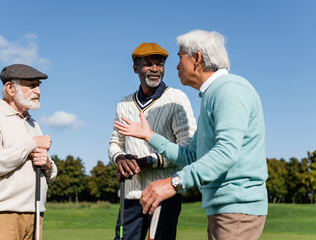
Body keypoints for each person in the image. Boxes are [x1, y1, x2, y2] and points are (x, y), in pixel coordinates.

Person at [114, 30, 268, 240]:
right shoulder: (211, 95)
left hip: (237, 206)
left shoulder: (229, 90)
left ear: (197, 58)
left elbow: (226, 153)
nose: (176, 66)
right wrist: (150, 135)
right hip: (222, 208)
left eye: (179, 57)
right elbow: (191, 156)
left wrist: (173, 182)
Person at [108, 42, 196, 240]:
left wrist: (148, 160)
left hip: (163, 194)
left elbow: (187, 148)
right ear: (135, 67)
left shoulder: (176, 98)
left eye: (160, 64)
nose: (155, 69)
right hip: (130, 196)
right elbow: (115, 143)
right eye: (148, 64)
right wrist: (121, 158)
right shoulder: (124, 104)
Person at [0, 64, 58, 240]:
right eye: (32, 85)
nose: (38, 91)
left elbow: (49, 173)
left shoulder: (33, 123)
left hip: (35, 215)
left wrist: (48, 164)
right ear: (10, 88)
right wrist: (31, 144)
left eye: (38, 85)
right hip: (2, 215)